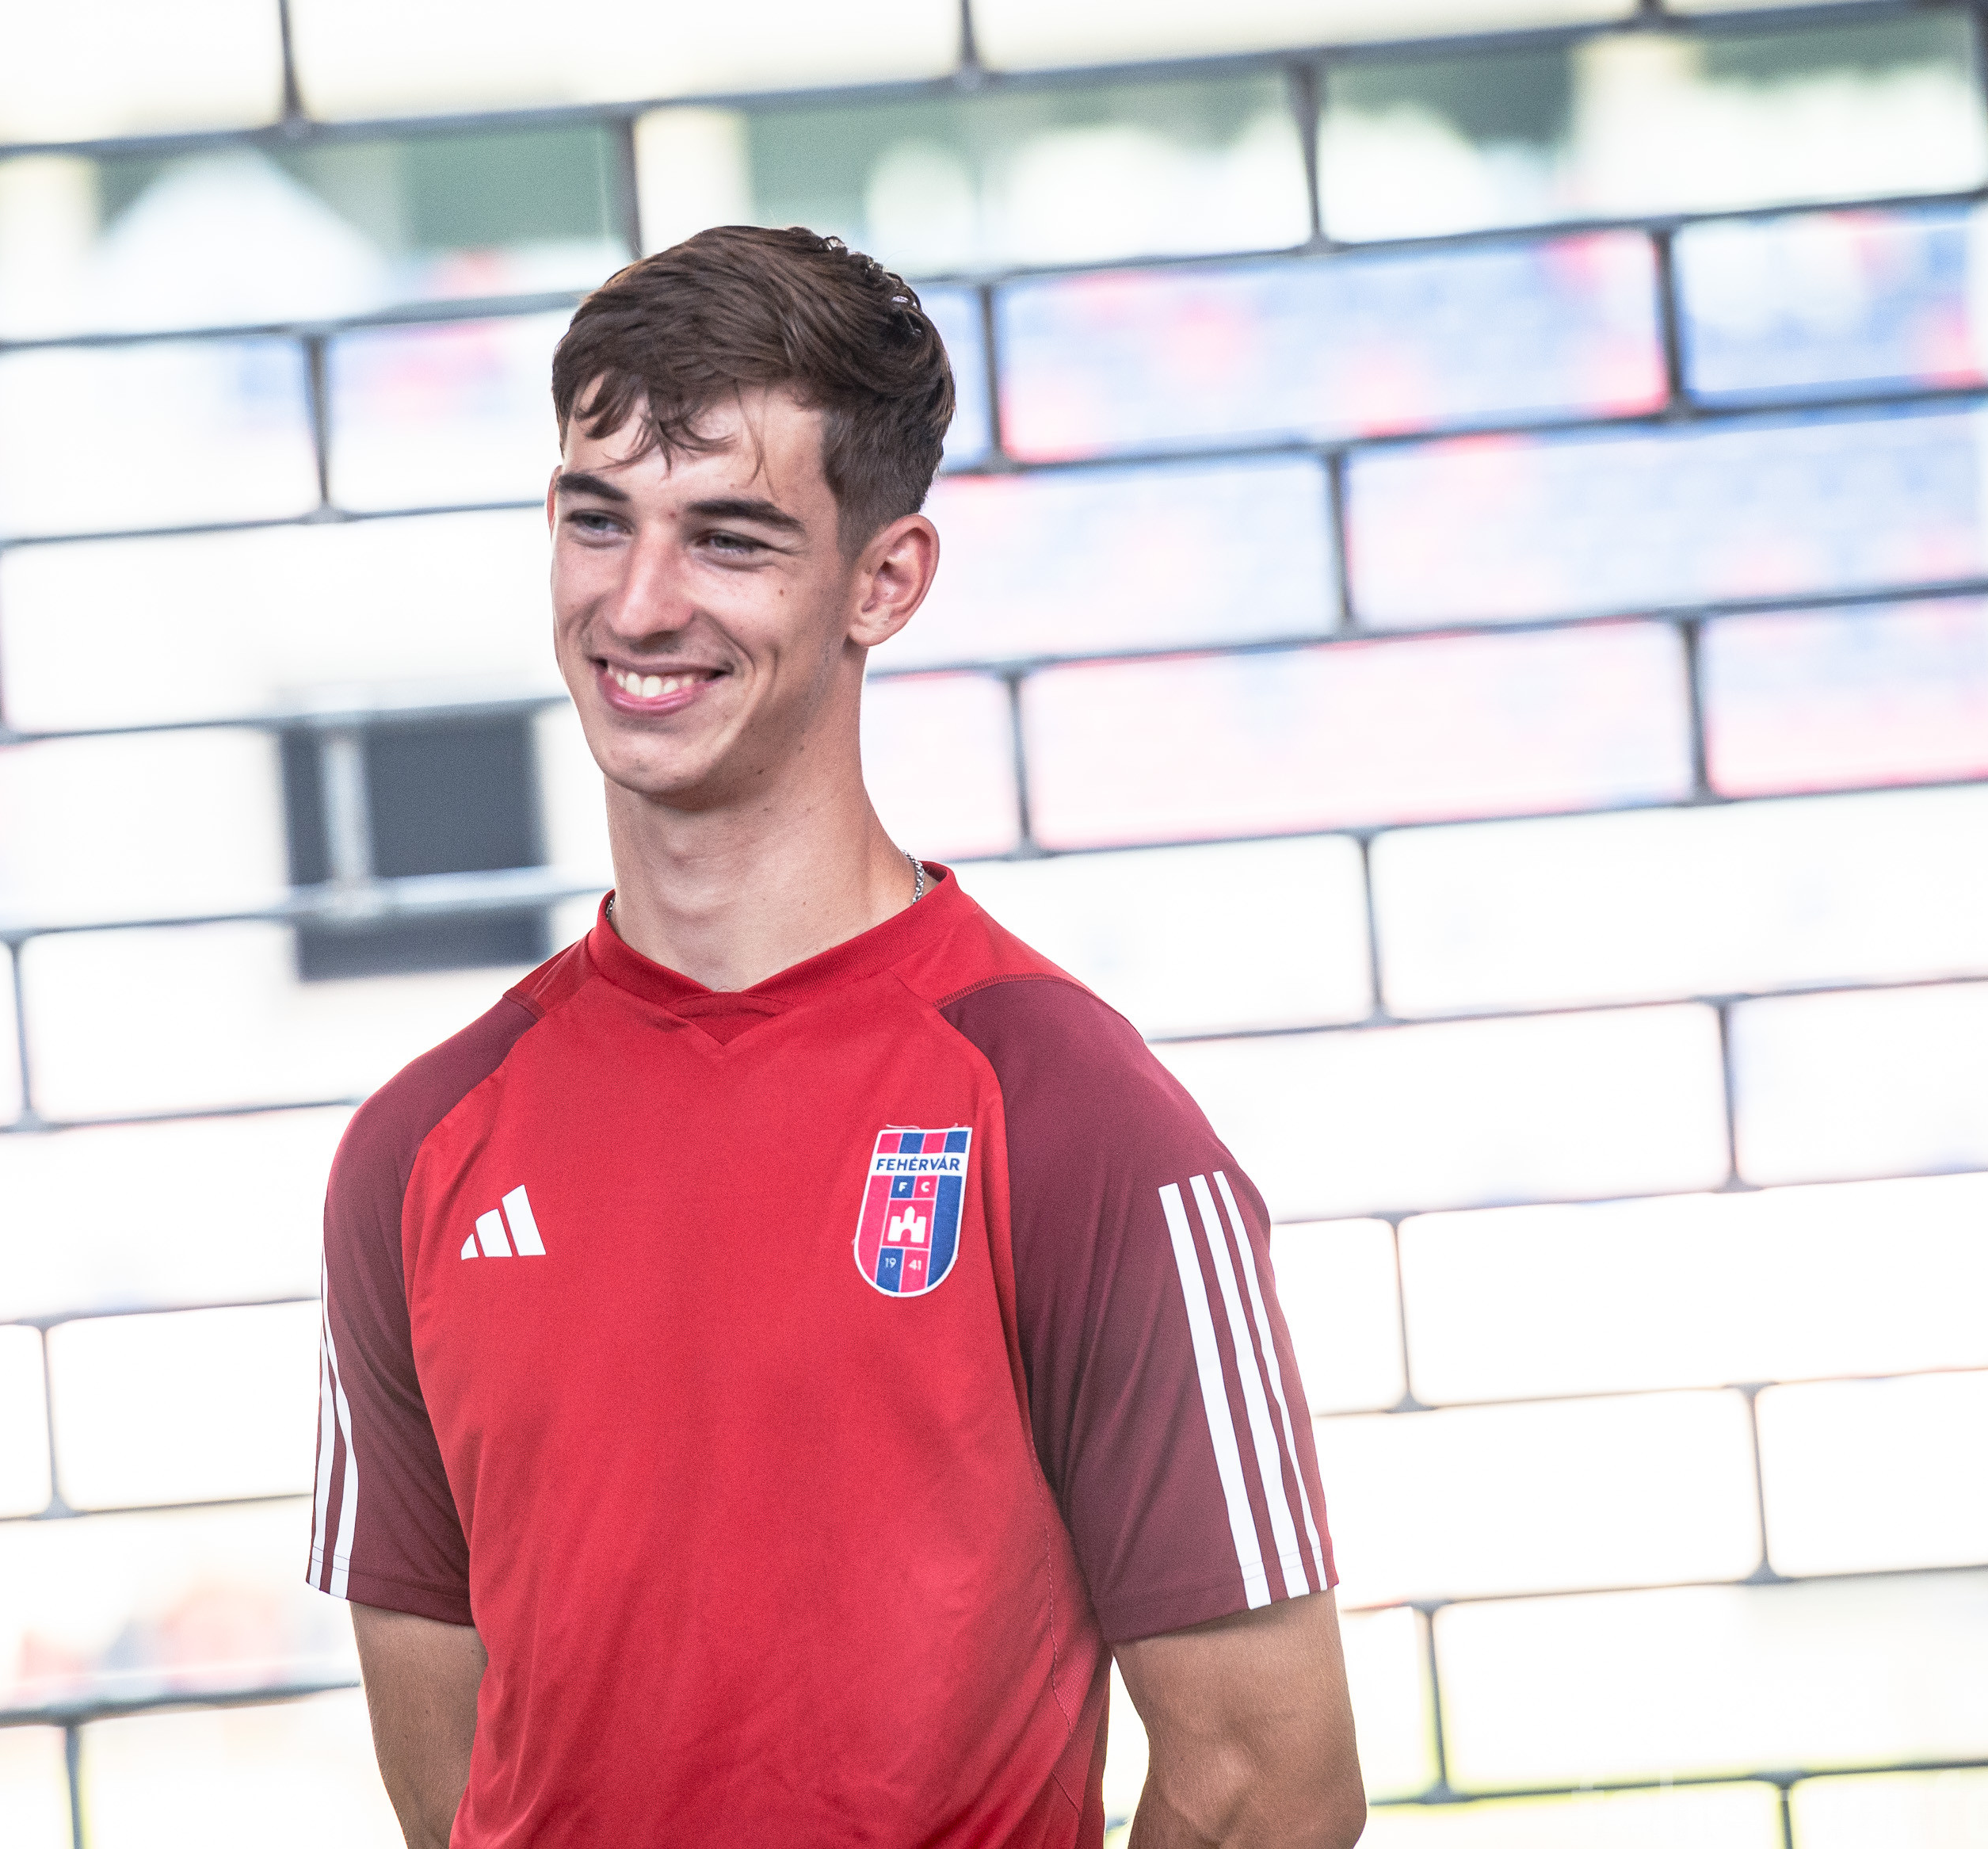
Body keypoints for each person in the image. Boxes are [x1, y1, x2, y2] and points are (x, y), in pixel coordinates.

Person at [305, 223, 1364, 1849]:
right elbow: (461, 1792)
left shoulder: (1075, 1118)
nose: (639, 603)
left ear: (886, 581)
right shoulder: (414, 1151)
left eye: (729, 540)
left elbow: (1269, 1786)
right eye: (599, 519)